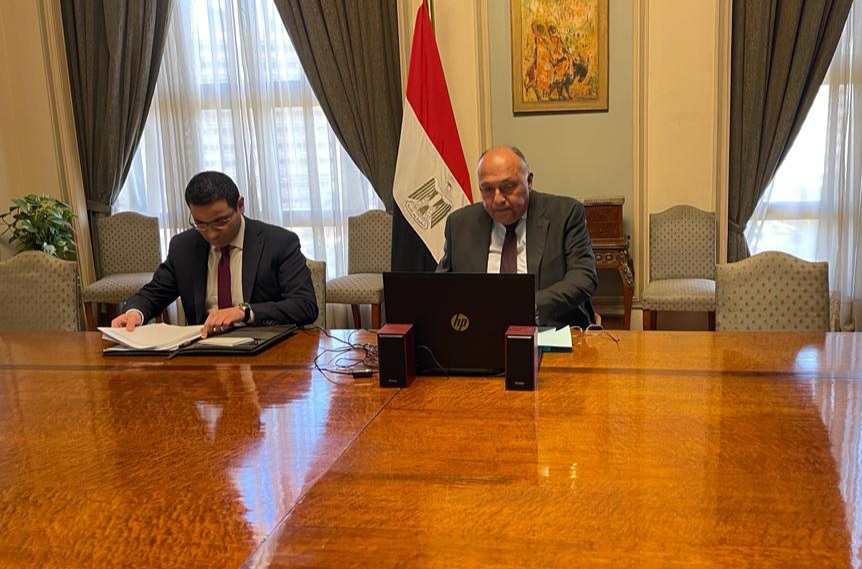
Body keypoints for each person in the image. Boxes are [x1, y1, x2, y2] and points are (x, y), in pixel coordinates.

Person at [112, 171, 318, 336]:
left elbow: (305, 305)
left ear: (240, 206)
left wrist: (245, 312)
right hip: (204, 346)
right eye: (200, 224)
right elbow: (153, 294)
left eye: (221, 221)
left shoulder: (279, 242)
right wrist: (134, 313)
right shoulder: (183, 247)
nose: (211, 234)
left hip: (263, 344)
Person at [437, 146, 598, 328]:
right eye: (487, 189)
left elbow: (583, 277)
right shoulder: (459, 224)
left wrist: (525, 306)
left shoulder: (565, 214)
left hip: (550, 329)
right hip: (481, 331)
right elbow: (441, 288)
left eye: (507, 187)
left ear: (529, 181)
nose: (497, 199)